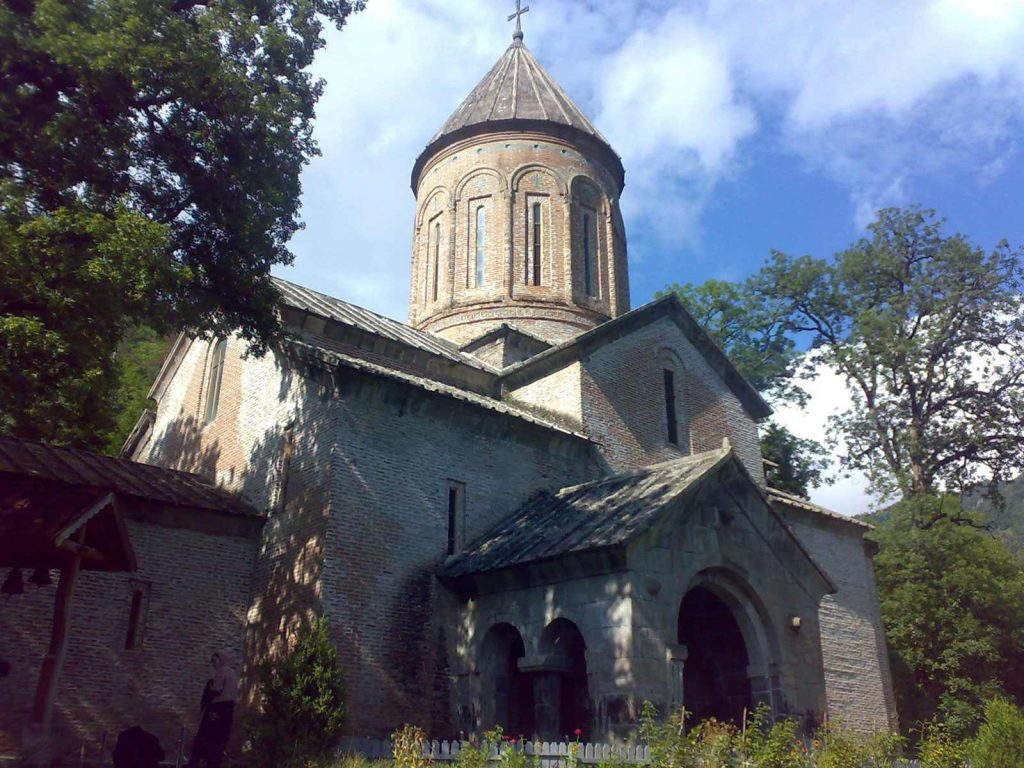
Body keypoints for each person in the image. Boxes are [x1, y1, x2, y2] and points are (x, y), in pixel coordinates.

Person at [187, 650, 238, 768]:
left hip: (217, 709)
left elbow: (218, 689)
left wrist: (210, 688)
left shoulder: (221, 671)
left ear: (220, 660)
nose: (213, 664)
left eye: (214, 661)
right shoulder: (233, 673)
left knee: (205, 738)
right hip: (229, 710)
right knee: (219, 741)